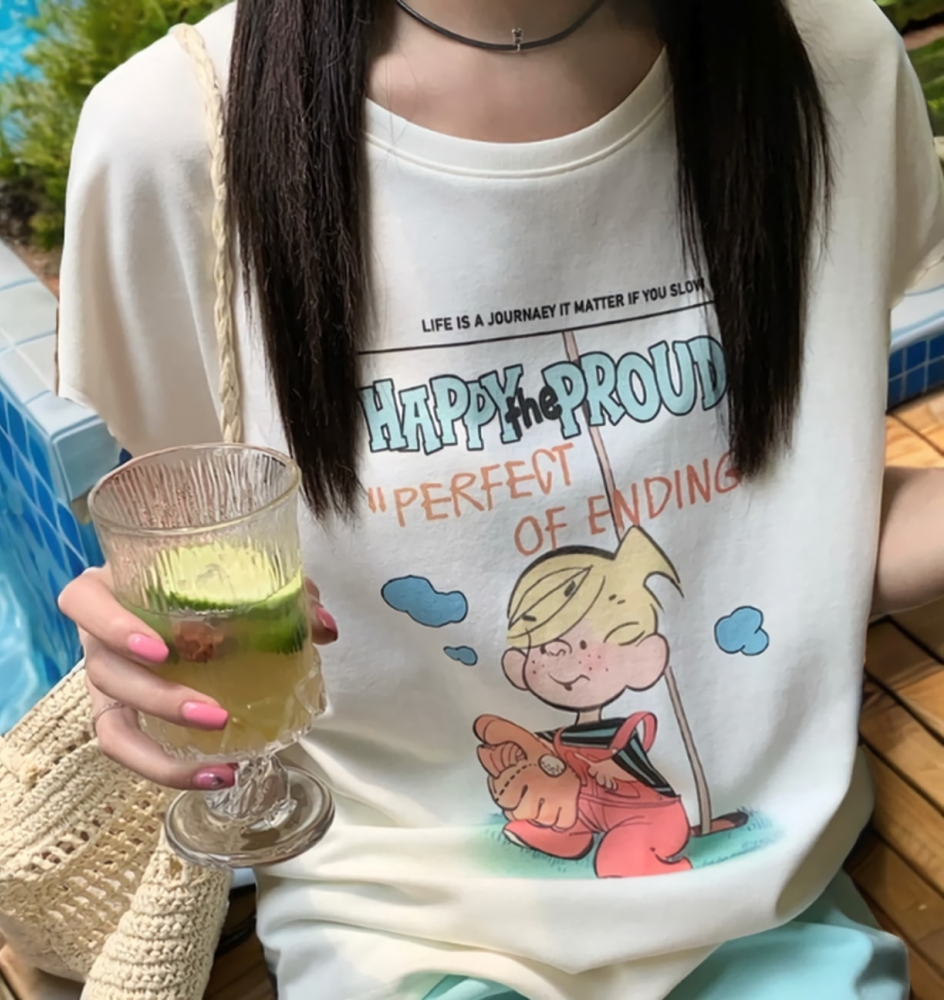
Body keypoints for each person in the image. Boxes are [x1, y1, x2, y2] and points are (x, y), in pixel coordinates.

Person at [54, 0, 944, 997]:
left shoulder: (835, 69)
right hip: (402, 927)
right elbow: (202, 542)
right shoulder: (173, 140)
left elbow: (792, 534)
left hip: (766, 906)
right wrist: (160, 648)